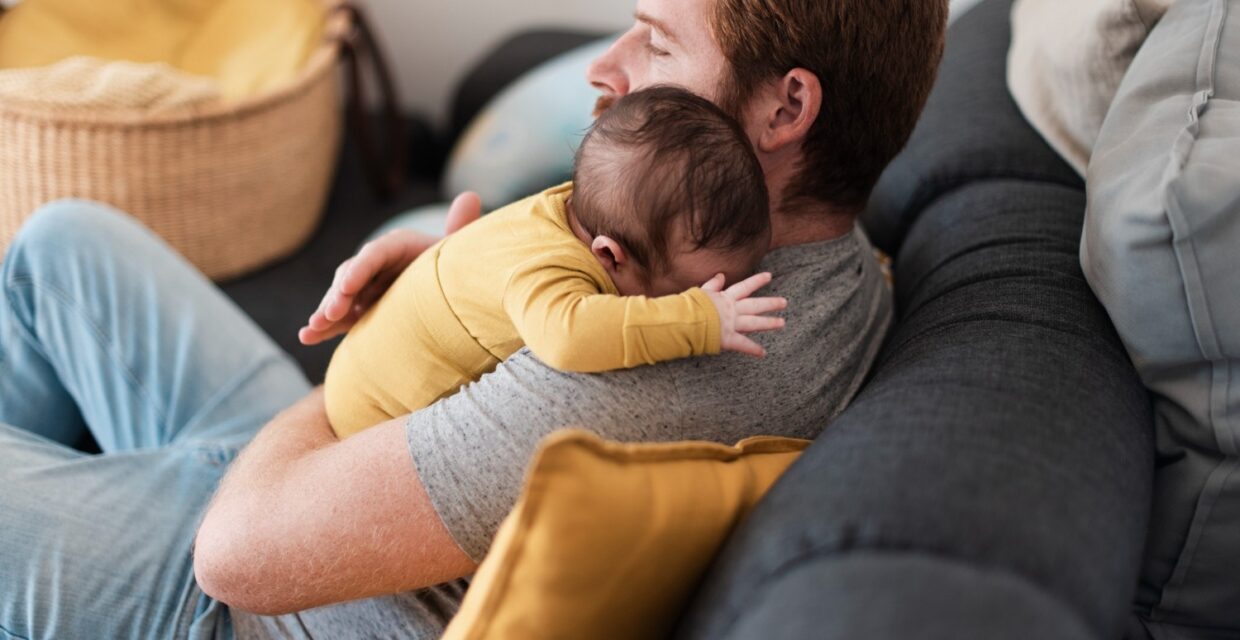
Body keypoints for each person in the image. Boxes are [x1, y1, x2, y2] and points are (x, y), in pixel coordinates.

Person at [0, 1, 947, 638]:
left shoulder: (658, 355)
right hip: (353, 477)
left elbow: (237, 556)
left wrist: (384, 341)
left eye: (657, 43)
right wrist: (447, 286)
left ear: (788, 106)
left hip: (268, 589)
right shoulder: (837, 267)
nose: (609, 72)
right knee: (60, 245)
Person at [325, 87, 784, 438]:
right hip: (369, 414)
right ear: (609, 255)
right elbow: (570, 336)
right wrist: (699, 319)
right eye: (693, 288)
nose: (716, 296)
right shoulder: (553, 271)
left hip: (362, 360)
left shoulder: (572, 207)